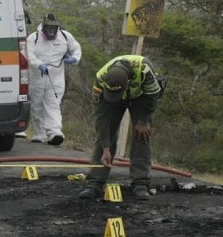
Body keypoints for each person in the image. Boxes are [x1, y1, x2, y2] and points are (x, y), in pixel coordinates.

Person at [79, 55, 162, 201]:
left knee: (141, 135)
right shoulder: (101, 79)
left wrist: (143, 121)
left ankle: (141, 183)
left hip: (142, 98)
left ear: (128, 82)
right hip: (111, 103)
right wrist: (106, 147)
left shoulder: (144, 69)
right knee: (105, 135)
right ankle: (95, 183)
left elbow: (153, 95)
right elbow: (101, 117)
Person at [23, 13, 82, 145]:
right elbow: (28, 55)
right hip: (37, 76)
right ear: (43, 26)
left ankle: (55, 132)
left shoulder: (65, 36)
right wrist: (38, 65)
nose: (51, 31)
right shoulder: (34, 38)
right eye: (48, 28)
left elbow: (76, 49)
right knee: (37, 105)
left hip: (56, 77)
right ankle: (41, 133)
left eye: (53, 28)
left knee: (53, 104)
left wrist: (74, 58)